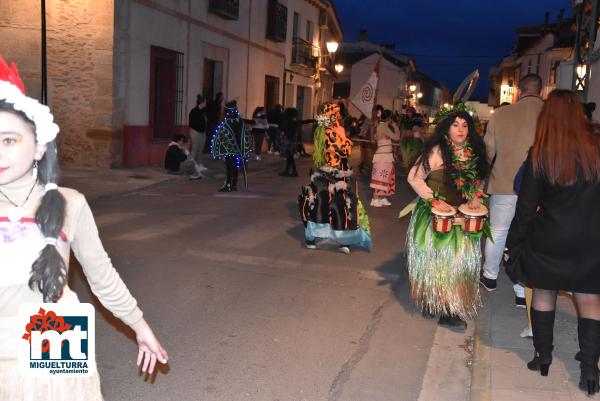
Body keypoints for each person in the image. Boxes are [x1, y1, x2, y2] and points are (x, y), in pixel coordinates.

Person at [0, 55, 168, 400]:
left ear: (39, 146)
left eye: (9, 140)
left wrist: (139, 326)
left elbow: (101, 275)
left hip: (56, 336)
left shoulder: (70, 203)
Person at [505, 90, 600, 395]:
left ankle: (542, 357)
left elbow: (526, 206)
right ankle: (589, 369)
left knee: (544, 292)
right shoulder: (597, 148)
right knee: (589, 299)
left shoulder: (541, 152)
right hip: (591, 238)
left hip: (549, 237)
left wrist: (513, 244)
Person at [406, 110, 491, 328]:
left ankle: (450, 308)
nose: (461, 129)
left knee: (458, 263)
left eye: (465, 125)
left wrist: (474, 197)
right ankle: (432, 300)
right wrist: (434, 200)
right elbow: (414, 178)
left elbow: (477, 183)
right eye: (455, 125)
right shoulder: (437, 151)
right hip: (434, 213)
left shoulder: (474, 153)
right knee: (434, 260)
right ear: (447, 128)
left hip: (461, 216)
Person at [480, 74, 543, 309]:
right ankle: (521, 290)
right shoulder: (549, 115)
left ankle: (490, 277)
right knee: (528, 237)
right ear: (540, 91)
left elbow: (488, 150)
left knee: (497, 231)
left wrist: (486, 177)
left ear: (519, 90)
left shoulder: (502, 115)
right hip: (538, 188)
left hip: (505, 183)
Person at [298, 103, 372, 254]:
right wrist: (345, 137)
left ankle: (312, 238)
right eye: (337, 114)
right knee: (340, 206)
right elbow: (344, 150)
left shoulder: (320, 130)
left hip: (322, 172)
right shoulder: (331, 132)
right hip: (336, 174)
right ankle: (343, 241)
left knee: (320, 204)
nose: (339, 117)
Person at [211, 100, 251, 192]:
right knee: (234, 166)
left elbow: (223, 136)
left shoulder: (227, 122)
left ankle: (229, 184)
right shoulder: (239, 121)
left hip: (229, 148)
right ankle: (234, 184)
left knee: (230, 167)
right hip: (237, 148)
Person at [370, 109, 400, 207]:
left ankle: (382, 198)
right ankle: (375, 199)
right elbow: (396, 137)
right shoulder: (383, 126)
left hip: (385, 156)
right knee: (380, 178)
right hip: (382, 157)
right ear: (389, 118)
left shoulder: (382, 126)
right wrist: (395, 127)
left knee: (386, 177)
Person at [278, 108, 313, 177]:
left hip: (288, 141)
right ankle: (289, 171)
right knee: (289, 157)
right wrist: (313, 120)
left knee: (290, 157)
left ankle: (292, 171)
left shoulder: (286, 121)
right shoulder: (293, 122)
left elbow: (283, 130)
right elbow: (303, 122)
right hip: (292, 141)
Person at [188, 94, 208, 172]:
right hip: (196, 132)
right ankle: (191, 167)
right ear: (202, 102)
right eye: (205, 101)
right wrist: (200, 128)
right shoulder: (194, 111)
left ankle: (199, 165)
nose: (206, 103)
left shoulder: (203, 111)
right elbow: (192, 123)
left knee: (200, 150)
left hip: (202, 133)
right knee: (195, 150)